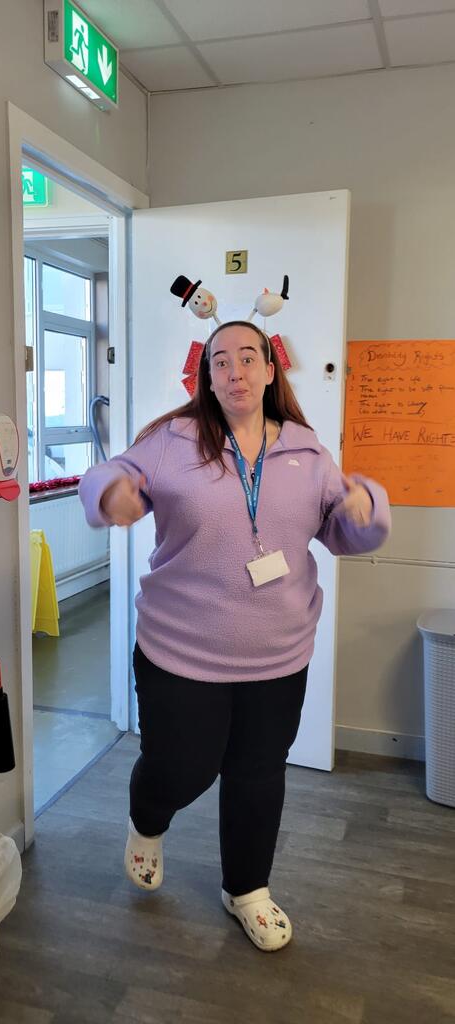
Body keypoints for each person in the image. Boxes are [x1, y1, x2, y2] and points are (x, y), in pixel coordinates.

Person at [79, 320, 391, 952]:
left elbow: (341, 531)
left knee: (258, 773)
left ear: (271, 370)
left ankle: (246, 889)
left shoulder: (306, 450)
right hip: (180, 651)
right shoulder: (173, 442)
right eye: (220, 361)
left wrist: (366, 508)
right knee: (180, 767)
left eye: (248, 357)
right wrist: (110, 493)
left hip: (279, 654)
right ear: (207, 378)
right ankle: (147, 822)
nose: (235, 371)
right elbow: (108, 474)